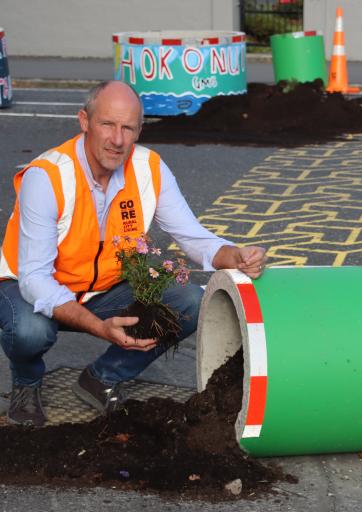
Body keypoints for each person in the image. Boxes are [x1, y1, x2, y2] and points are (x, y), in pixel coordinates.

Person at [0, 80, 266, 427]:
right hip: (27, 285)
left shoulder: (149, 169)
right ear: (84, 121)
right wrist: (99, 327)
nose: (118, 139)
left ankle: (103, 376)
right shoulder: (47, 176)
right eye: (107, 124)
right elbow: (35, 278)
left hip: (104, 288)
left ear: (140, 129)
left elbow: (192, 236)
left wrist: (234, 255)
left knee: (189, 300)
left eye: (128, 127)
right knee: (30, 331)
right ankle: (27, 382)